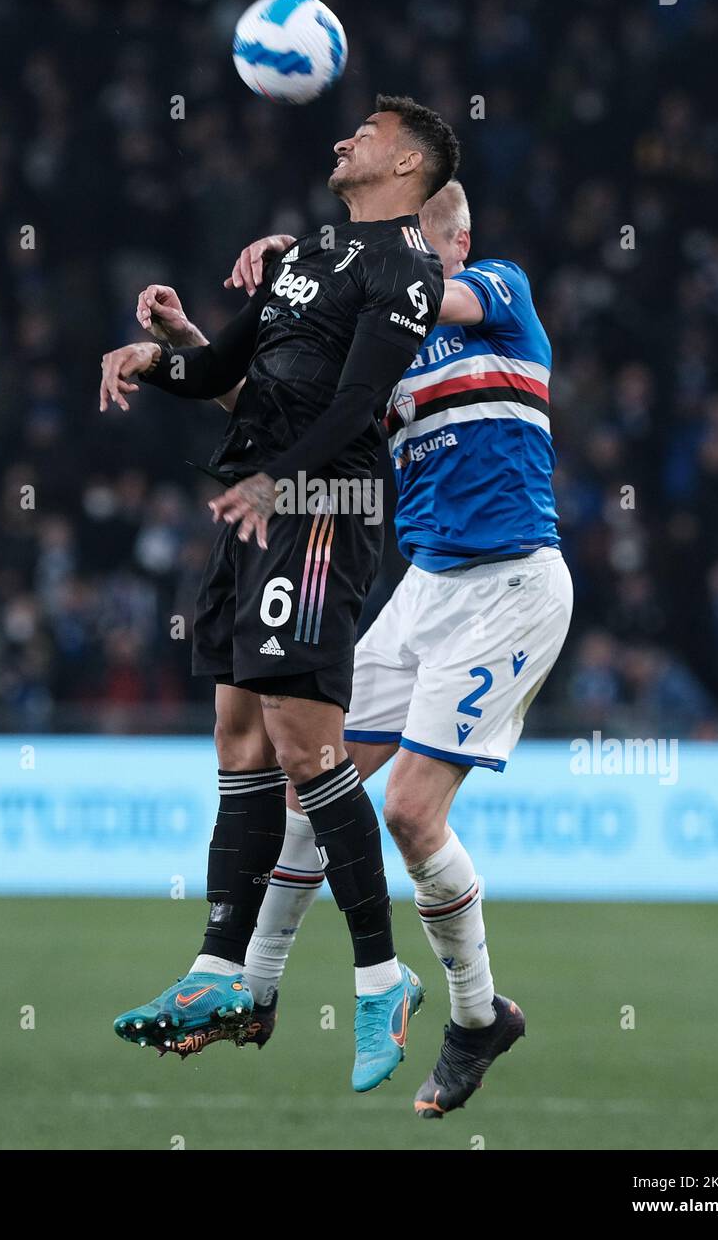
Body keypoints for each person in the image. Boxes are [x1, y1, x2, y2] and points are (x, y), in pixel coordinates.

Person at [148, 180, 572, 1117]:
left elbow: (427, 292)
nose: (396, 260)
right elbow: (271, 411)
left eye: (414, 244)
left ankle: (475, 1016)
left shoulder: (499, 291)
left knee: (412, 816)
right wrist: (196, 339)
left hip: (510, 588)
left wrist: (310, 265)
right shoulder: (377, 353)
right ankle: (250, 991)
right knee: (315, 778)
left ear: (455, 240)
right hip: (424, 592)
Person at [99, 95, 458, 1092]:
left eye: (370, 134)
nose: (347, 138)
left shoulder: (408, 269)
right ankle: (219, 969)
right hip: (256, 495)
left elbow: (353, 404)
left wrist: (279, 481)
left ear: (409, 165)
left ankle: (384, 978)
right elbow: (224, 366)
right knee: (237, 735)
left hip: (323, 505)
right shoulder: (309, 248)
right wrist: (162, 351)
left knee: (307, 748)